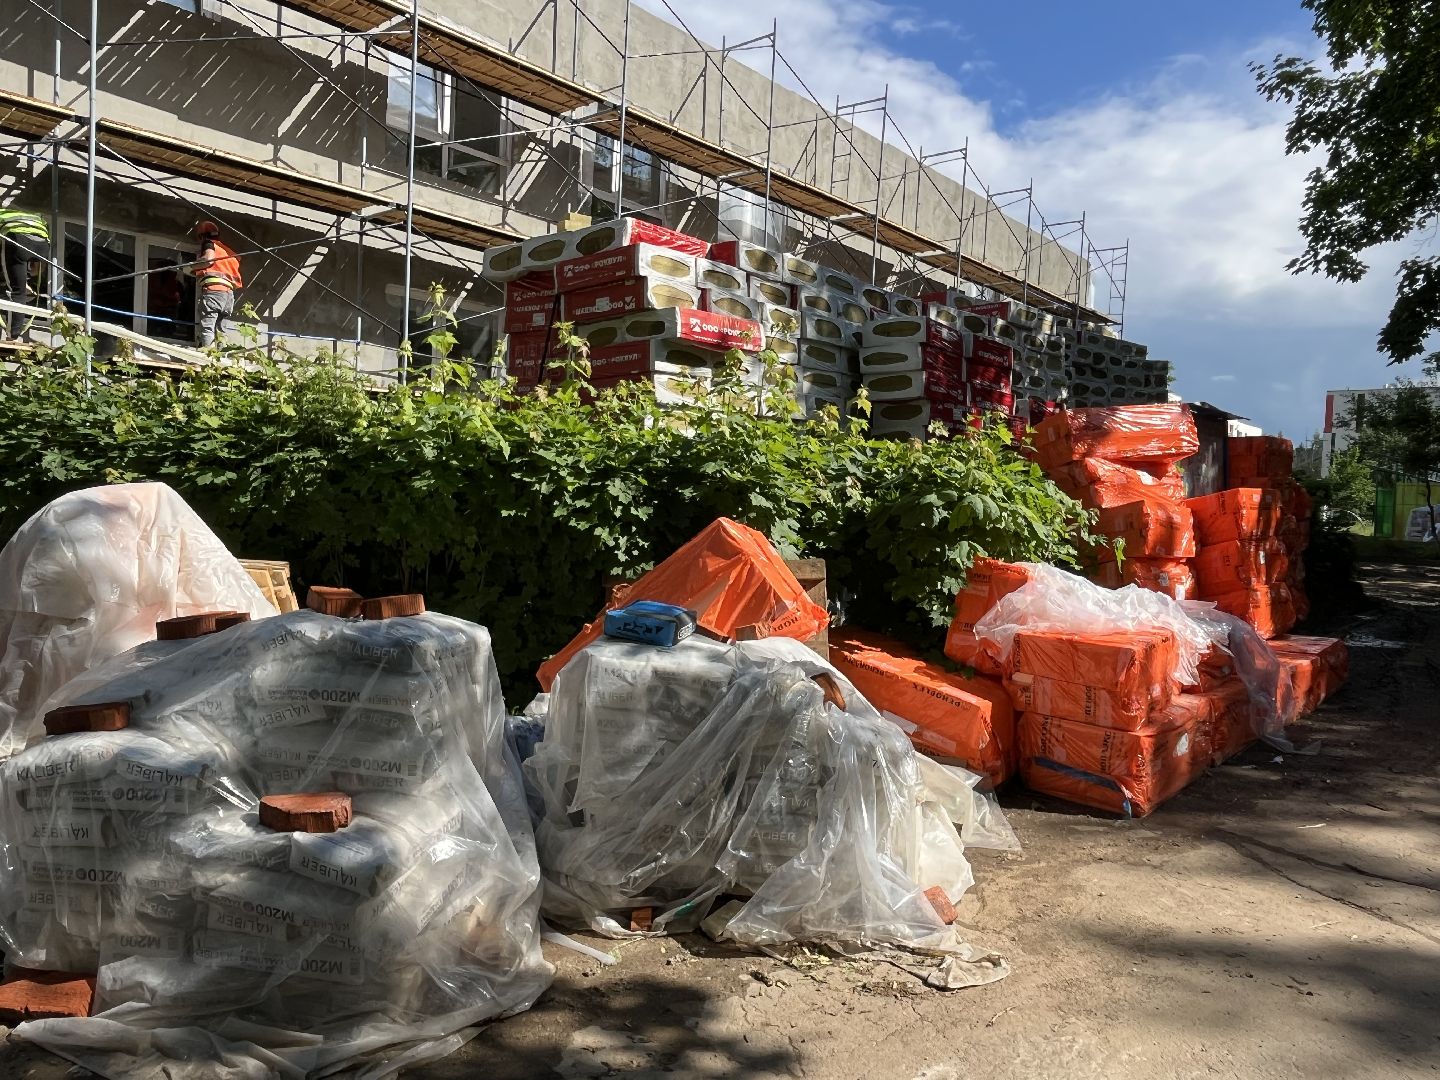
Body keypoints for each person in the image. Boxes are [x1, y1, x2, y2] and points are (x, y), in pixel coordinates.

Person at [0, 207, 51, 342]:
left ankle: (12, 336)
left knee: (17, 292)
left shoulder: (3, 215)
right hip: (43, 244)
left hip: (17, 238)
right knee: (20, 286)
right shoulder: (32, 214)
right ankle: (25, 283)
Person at [189, 219, 243, 347]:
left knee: (207, 328)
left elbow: (208, 260)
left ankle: (207, 360)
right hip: (228, 296)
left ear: (202, 236)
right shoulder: (228, 253)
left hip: (214, 292)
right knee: (221, 330)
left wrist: (191, 266)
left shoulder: (209, 244)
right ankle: (219, 360)